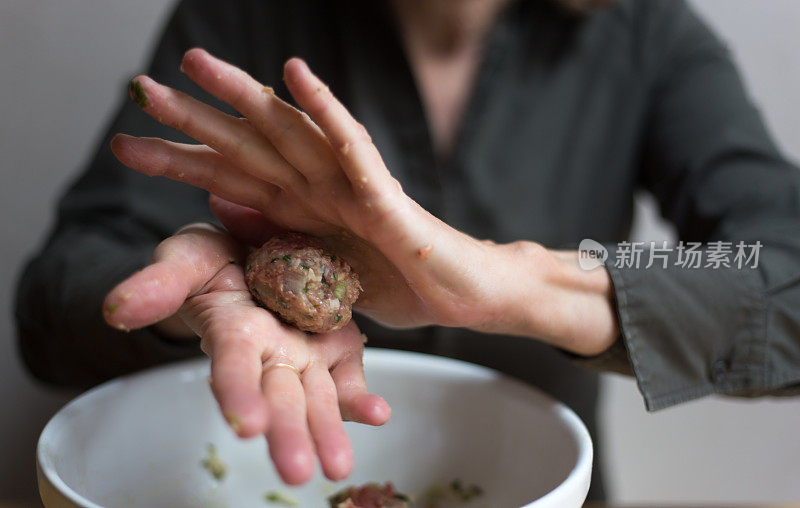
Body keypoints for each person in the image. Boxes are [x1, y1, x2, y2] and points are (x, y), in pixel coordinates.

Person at [15, 0, 800, 500]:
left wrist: (526, 283)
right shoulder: (243, 18)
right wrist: (186, 302)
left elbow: (783, 271)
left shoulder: (648, 39)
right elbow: (53, 298)